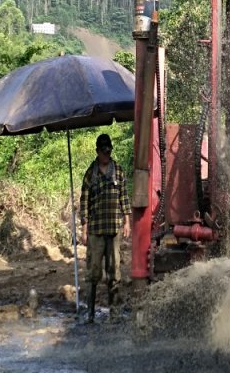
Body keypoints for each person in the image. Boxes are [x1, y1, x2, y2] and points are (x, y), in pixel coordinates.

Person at [80, 133, 131, 322]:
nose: (106, 155)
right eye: (103, 152)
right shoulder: (90, 173)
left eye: (109, 151)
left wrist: (127, 222)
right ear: (97, 152)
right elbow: (84, 202)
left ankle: (115, 313)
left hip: (114, 229)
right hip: (95, 230)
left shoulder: (118, 170)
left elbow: (124, 197)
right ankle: (91, 314)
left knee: (114, 271)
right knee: (93, 272)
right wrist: (84, 229)